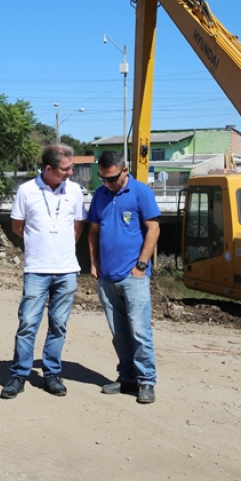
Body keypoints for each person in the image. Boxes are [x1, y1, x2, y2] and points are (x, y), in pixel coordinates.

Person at [0, 143, 86, 399]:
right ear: (49, 168)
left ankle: (51, 374)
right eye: (65, 169)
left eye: (71, 168)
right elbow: (18, 227)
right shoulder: (26, 191)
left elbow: (77, 227)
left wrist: (61, 248)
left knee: (58, 325)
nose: (70, 173)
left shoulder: (75, 191)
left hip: (67, 270)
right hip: (37, 269)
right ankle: (19, 374)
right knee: (27, 324)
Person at [87, 151, 161, 404]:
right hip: (107, 277)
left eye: (112, 179)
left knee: (140, 331)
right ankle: (127, 377)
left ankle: (147, 382)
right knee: (119, 333)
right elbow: (93, 231)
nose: (107, 183)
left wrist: (141, 265)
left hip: (134, 276)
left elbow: (154, 228)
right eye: (102, 179)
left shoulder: (141, 192)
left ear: (125, 170)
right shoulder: (100, 195)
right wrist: (94, 263)